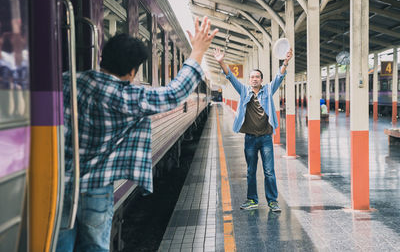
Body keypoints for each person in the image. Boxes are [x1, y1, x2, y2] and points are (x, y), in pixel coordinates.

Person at [57, 16, 218, 252]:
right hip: (96, 188)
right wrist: (198, 52)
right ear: (133, 71)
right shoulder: (128, 97)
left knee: (57, 245)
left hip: (59, 185)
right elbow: (174, 93)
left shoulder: (67, 82)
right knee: (94, 246)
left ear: (102, 58)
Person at [213, 47, 293, 212]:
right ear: (249, 80)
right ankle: (252, 200)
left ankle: (272, 201)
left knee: (269, 171)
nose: (254, 79)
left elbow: (279, 76)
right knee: (250, 171)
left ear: (261, 79)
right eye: (252, 77)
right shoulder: (243, 90)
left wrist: (285, 62)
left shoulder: (269, 89)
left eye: (257, 77)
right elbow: (230, 76)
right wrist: (221, 61)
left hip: (265, 139)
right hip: (250, 138)